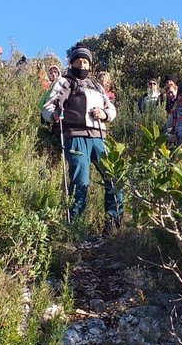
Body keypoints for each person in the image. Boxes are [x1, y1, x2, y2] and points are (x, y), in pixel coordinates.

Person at [42, 45, 123, 229]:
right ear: (72, 63)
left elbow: (111, 109)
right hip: (75, 137)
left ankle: (113, 224)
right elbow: (47, 107)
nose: (83, 64)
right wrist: (54, 115)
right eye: (79, 60)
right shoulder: (64, 82)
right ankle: (75, 228)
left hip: (99, 138)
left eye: (86, 61)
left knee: (114, 177)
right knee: (81, 182)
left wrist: (104, 114)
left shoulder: (97, 86)